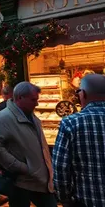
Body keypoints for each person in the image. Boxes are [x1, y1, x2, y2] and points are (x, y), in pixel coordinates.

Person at [0, 82, 56, 207]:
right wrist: (19, 166)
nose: (37, 103)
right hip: (20, 181)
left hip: (39, 179)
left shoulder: (31, 116)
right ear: (19, 98)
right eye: (33, 100)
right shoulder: (4, 118)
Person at [53, 73, 105, 207]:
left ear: (83, 94)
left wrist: (64, 198)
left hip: (87, 200)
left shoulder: (71, 123)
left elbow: (61, 168)